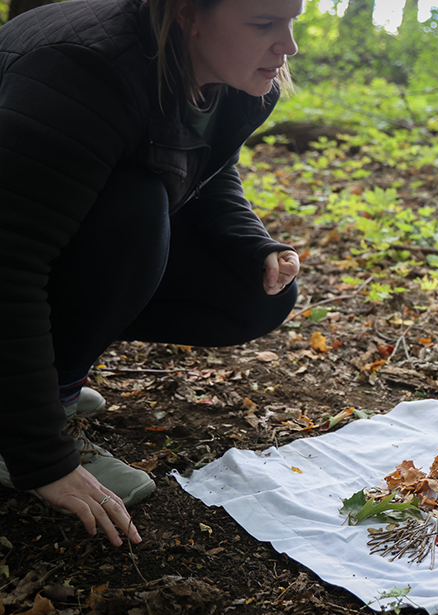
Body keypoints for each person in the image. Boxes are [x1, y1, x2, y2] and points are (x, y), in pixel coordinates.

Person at [0, 0, 303, 548]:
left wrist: (252, 244)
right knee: (134, 207)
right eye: (264, 24)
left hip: (57, 224)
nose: (288, 45)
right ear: (188, 15)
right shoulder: (85, 69)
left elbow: (206, 167)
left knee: (253, 293)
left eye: (291, 22)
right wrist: (42, 458)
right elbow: (8, 262)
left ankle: (56, 384)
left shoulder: (238, 76)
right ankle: (23, 418)